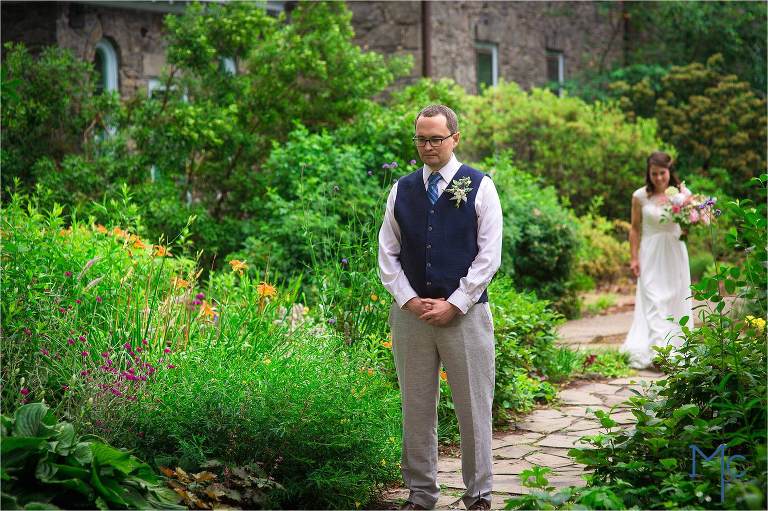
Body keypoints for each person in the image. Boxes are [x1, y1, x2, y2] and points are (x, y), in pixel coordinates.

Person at [377, 105, 503, 510]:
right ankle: (421, 494)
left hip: (465, 316)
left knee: (473, 407)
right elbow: (387, 253)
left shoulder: (480, 186)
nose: (428, 146)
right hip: (411, 317)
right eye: (421, 139)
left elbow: (489, 256)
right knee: (415, 407)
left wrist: (456, 302)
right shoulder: (402, 189)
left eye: (436, 138)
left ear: (455, 138)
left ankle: (478, 494)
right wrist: (409, 300)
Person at [620, 151, 694, 370]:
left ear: (669, 171)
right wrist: (633, 258)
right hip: (650, 253)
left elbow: (687, 227)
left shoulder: (683, 195)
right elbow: (634, 229)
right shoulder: (639, 196)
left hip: (675, 251)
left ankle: (675, 348)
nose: (659, 178)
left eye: (662, 173)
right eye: (654, 174)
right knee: (653, 299)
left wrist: (692, 219)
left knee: (674, 300)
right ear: (648, 173)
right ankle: (658, 353)